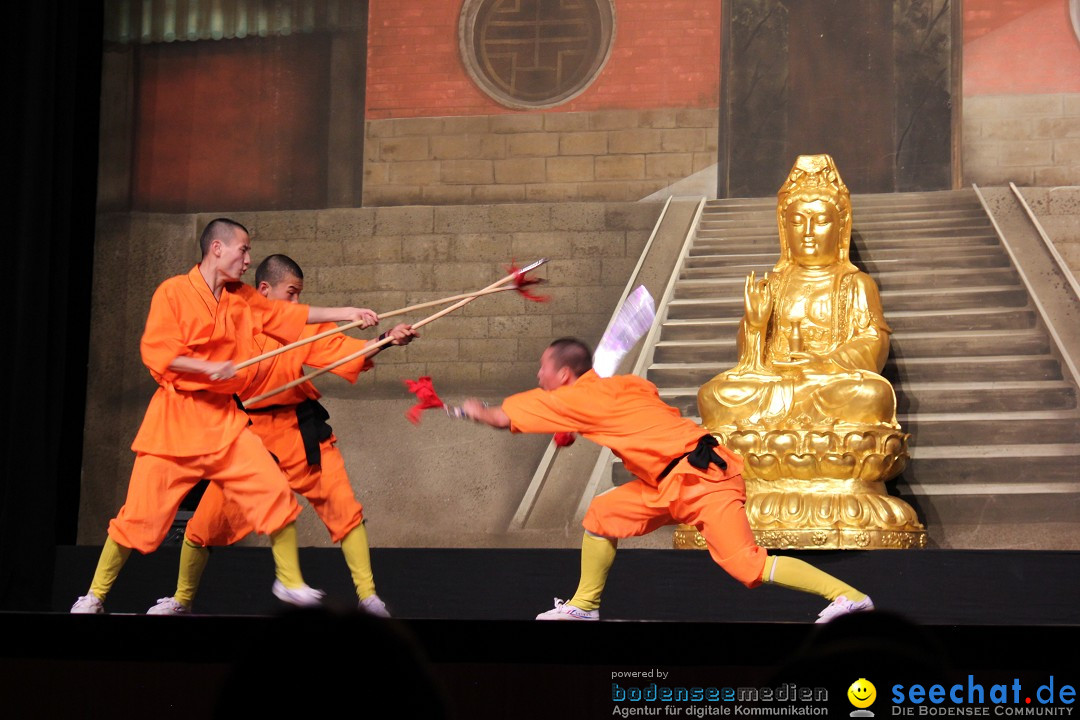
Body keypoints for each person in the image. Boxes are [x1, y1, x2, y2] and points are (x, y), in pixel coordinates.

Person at [72, 219, 380, 613]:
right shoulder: (174, 292)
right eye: (244, 250)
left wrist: (347, 311)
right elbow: (158, 352)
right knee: (139, 516)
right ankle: (94, 595)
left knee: (273, 493)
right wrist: (207, 369)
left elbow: (285, 316)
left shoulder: (241, 298)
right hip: (176, 420)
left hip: (224, 423)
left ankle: (290, 582)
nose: (248, 259)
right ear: (217, 248)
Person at [461, 338, 874, 622]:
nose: (538, 375)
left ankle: (852, 599)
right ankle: (584, 606)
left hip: (703, 479)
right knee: (603, 512)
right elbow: (628, 416)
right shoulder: (625, 386)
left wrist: (469, 409)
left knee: (747, 565)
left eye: (543, 368)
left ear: (565, 374)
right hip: (663, 485)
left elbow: (499, 417)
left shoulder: (573, 399)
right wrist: (575, 424)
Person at [147, 254, 416, 616]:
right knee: (203, 524)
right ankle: (181, 599)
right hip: (248, 437)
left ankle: (369, 597)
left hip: (299, 431)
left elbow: (343, 350)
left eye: (299, 295)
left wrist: (386, 339)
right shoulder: (231, 322)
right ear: (264, 289)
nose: (296, 302)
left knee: (344, 509)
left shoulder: (302, 326)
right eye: (291, 293)